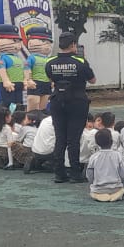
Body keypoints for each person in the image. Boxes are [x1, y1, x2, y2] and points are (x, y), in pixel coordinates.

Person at [47, 32, 96, 183]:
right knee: (73, 139)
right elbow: (93, 80)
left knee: (60, 138)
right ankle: (75, 173)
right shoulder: (80, 61)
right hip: (77, 102)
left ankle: (59, 173)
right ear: (73, 45)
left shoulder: (50, 61)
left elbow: (50, 79)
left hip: (57, 101)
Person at [87, 129, 124, 202]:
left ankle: (99, 196)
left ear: (97, 143)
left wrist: (93, 183)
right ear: (112, 141)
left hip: (98, 189)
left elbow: (89, 175)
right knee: (121, 191)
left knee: (93, 193)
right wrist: (121, 182)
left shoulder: (93, 157)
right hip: (115, 188)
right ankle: (115, 195)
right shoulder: (118, 155)